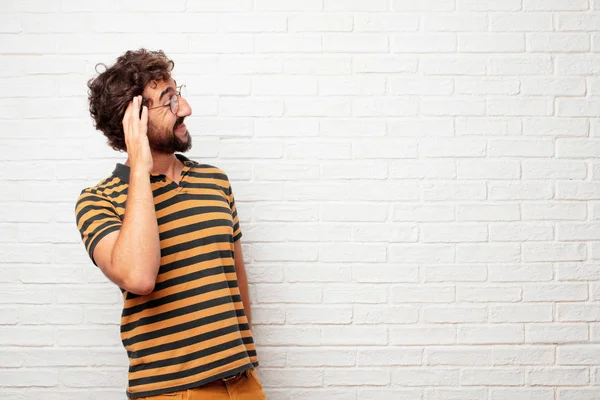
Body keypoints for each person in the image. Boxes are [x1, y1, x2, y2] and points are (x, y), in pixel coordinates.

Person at [74, 49, 264, 399]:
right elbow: (139, 277)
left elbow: (236, 276)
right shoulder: (98, 200)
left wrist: (243, 360)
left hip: (242, 383)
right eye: (170, 100)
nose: (186, 108)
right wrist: (140, 165)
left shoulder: (215, 181)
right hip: (172, 392)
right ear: (135, 118)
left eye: (178, 93)